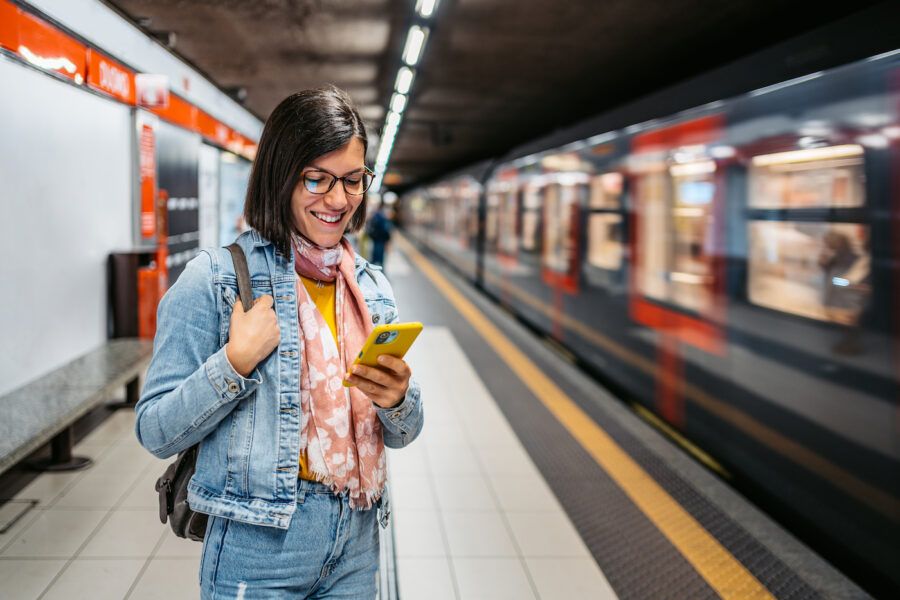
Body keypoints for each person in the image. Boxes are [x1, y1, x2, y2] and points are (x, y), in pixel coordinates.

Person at [135, 86, 423, 599]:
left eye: (353, 180)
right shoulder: (216, 281)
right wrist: (234, 363)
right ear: (281, 177)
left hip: (355, 540)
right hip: (259, 544)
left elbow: (402, 435)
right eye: (317, 179)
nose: (339, 200)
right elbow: (155, 430)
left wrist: (399, 399)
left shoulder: (372, 289)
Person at [366, 203, 393, 267]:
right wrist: (388, 240)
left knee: (375, 256)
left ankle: (374, 267)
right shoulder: (382, 217)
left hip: (375, 239)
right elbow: (385, 230)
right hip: (380, 240)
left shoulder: (375, 216)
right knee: (380, 258)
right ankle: (379, 269)